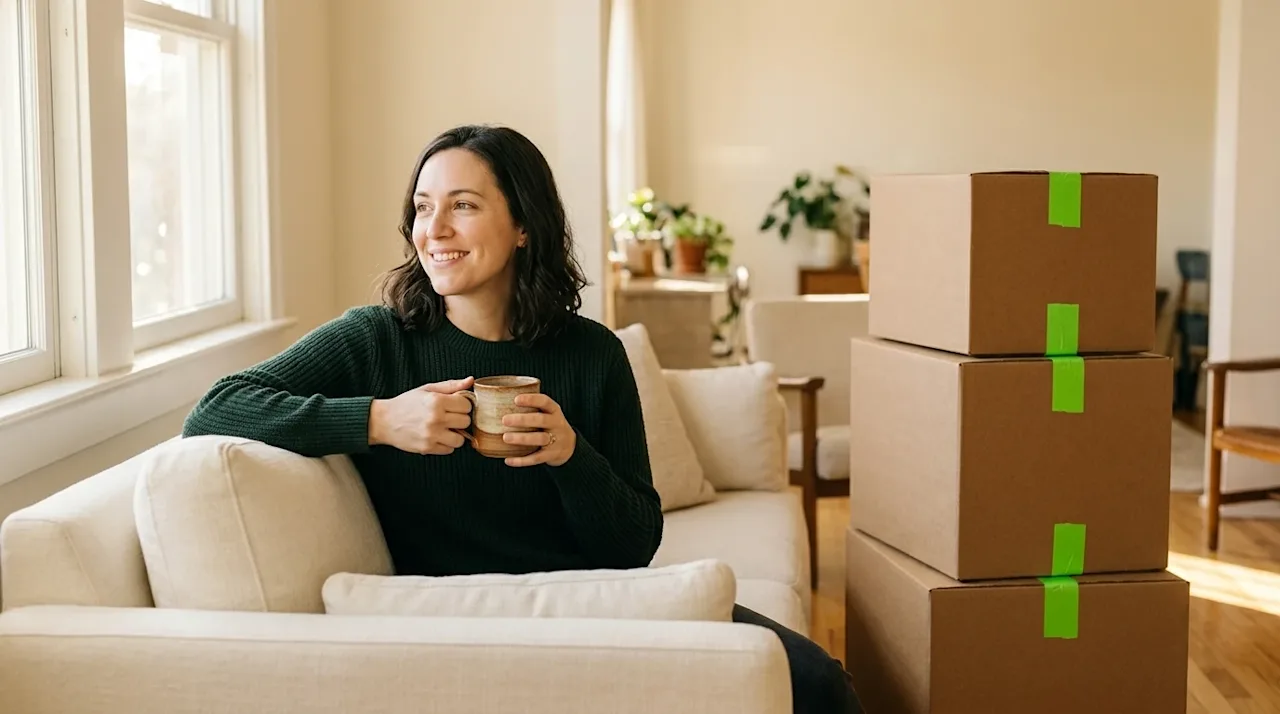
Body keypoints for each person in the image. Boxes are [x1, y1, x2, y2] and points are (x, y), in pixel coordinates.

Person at [182, 124, 862, 714]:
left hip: (595, 609)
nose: (434, 230)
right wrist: (381, 421)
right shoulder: (376, 341)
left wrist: (571, 456)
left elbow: (634, 546)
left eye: (463, 205)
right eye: (423, 207)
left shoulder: (592, 353)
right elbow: (215, 408)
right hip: (457, 626)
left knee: (816, 682)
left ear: (523, 226)